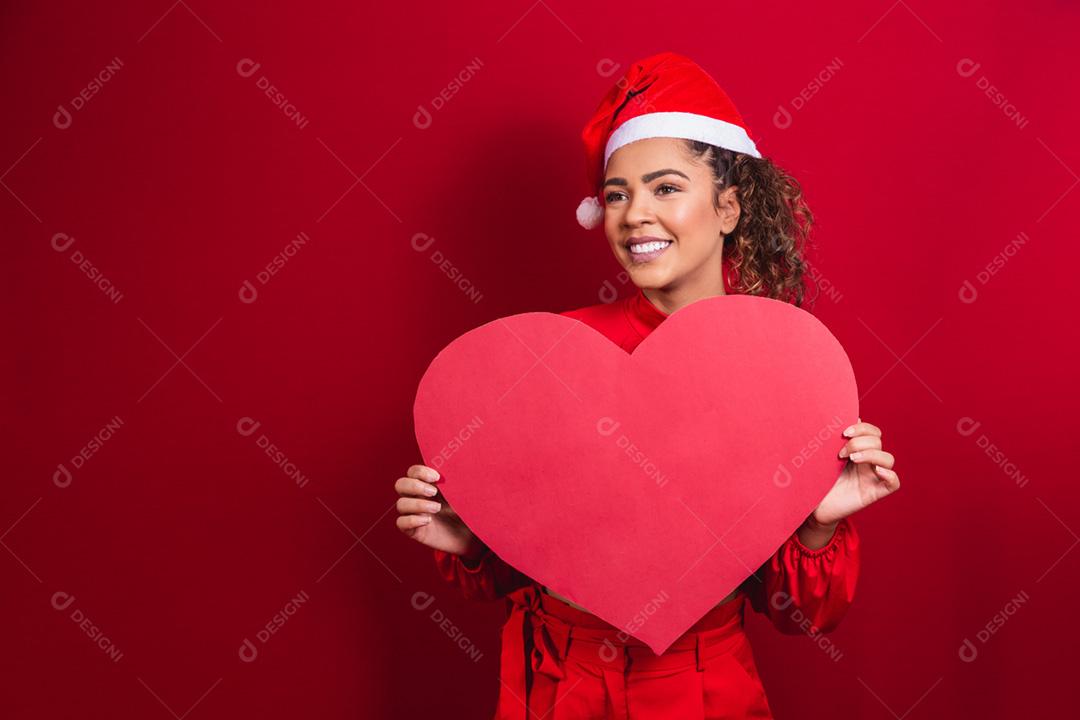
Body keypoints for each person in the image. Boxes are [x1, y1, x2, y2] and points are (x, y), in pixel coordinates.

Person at [395, 51, 901, 719]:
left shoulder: (782, 369)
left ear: (727, 207)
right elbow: (536, 552)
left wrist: (816, 522)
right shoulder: (548, 359)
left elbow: (801, 617)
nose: (634, 214)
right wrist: (470, 545)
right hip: (553, 688)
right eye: (616, 194)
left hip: (697, 691)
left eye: (665, 188)